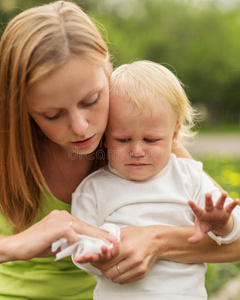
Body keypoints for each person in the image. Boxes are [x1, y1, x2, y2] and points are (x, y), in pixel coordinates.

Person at [0, 1, 240, 299]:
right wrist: (11, 245)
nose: (81, 127)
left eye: (92, 100)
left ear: (108, 73)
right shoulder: (6, 143)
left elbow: (235, 238)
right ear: (21, 106)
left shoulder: (137, 131)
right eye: (52, 114)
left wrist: (156, 239)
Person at [58, 60, 240, 300]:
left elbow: (233, 233)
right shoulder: (93, 189)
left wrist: (222, 223)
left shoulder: (190, 177)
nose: (137, 151)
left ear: (174, 135)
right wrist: (98, 252)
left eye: (151, 140)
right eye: (123, 140)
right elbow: (80, 251)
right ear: (104, 138)